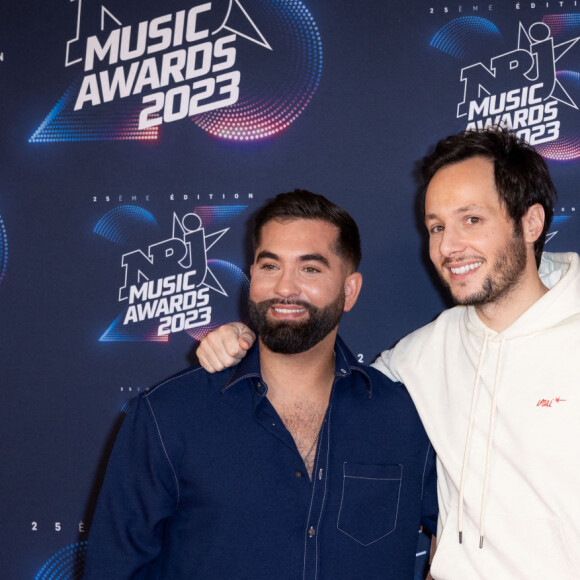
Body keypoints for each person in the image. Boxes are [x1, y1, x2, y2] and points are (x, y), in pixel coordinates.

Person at [196, 127, 580, 579]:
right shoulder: (422, 354)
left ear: (530, 223)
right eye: (437, 226)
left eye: (471, 219)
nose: (449, 246)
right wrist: (247, 335)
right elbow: (318, 375)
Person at [83, 190, 437, 579]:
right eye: (270, 266)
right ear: (251, 277)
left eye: (310, 269)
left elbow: (467, 540)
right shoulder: (168, 416)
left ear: (349, 290)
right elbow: (113, 568)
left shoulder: (405, 417)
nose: (285, 288)